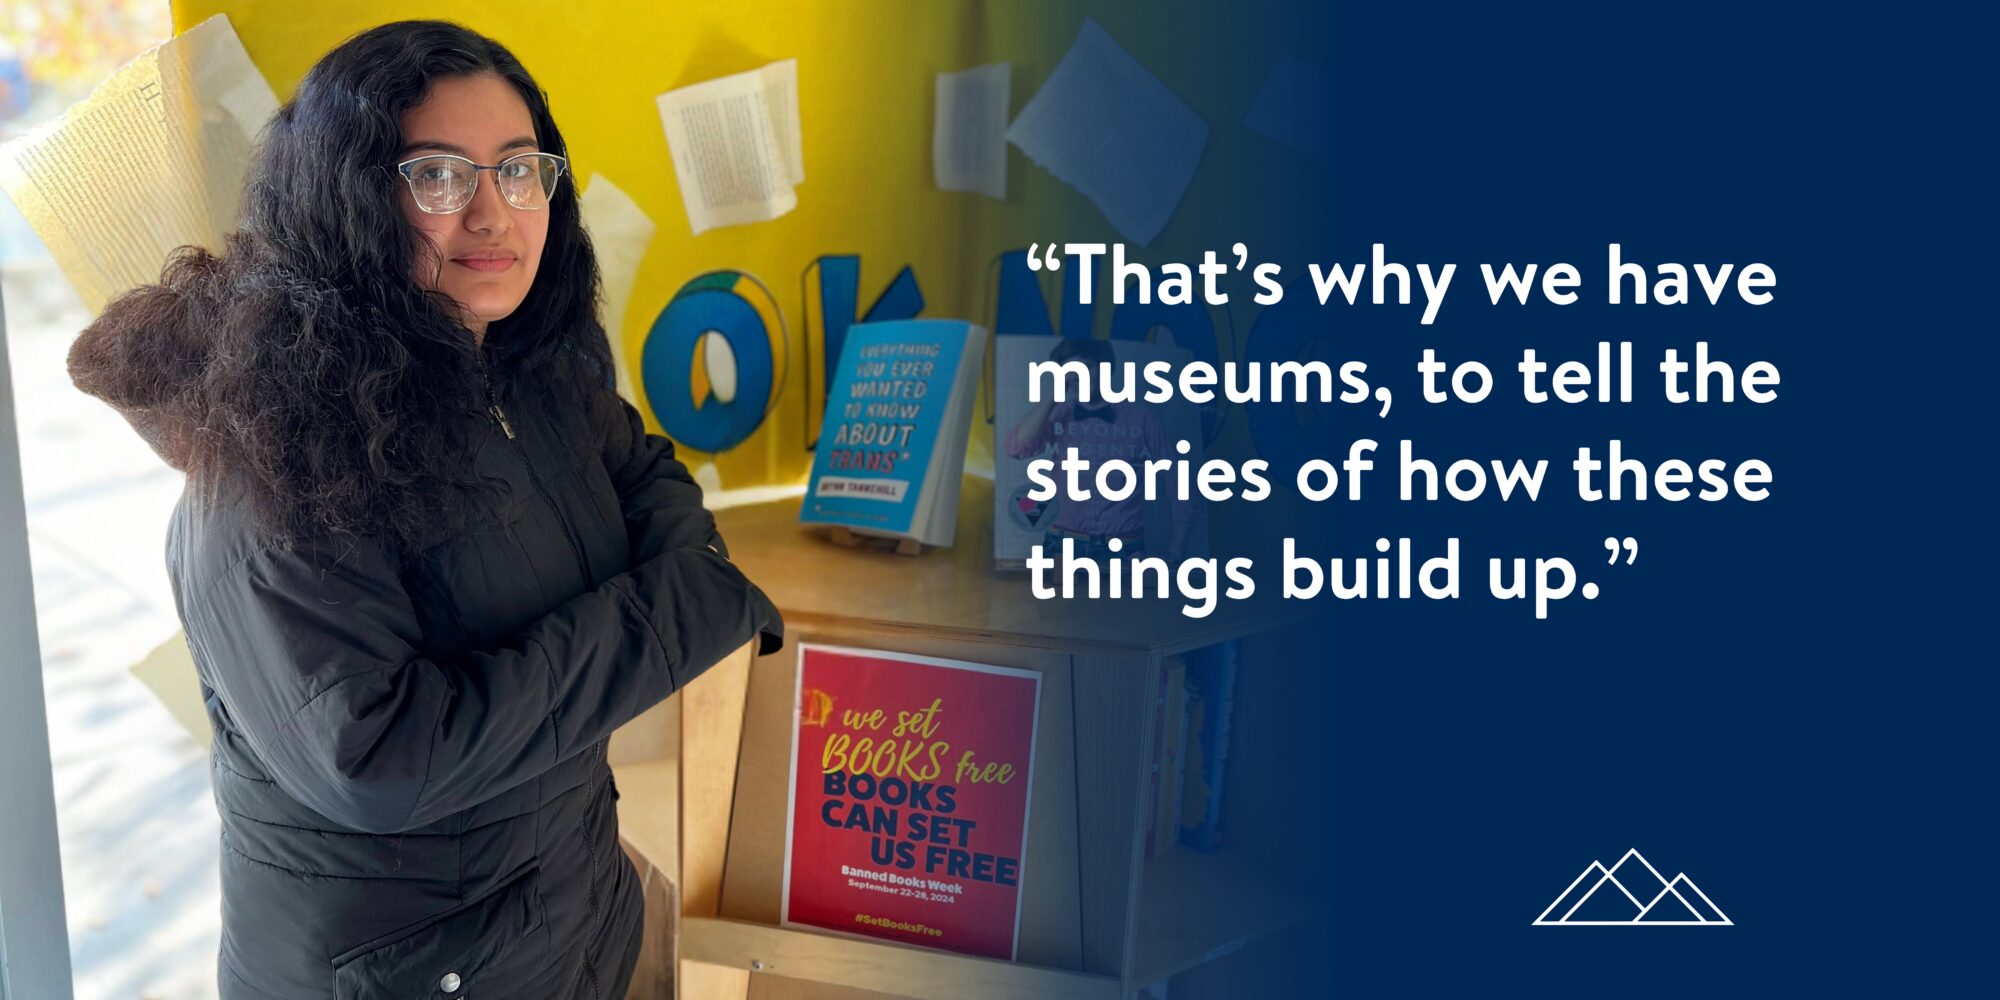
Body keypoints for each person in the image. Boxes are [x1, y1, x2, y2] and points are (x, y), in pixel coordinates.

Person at [65, 21, 782, 999]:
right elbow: (384, 760)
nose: (495, 213)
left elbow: (646, 473)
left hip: (573, 924)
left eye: (520, 170)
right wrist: (682, 612)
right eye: (438, 176)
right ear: (348, 196)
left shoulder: (528, 360)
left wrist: (689, 582)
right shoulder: (266, 460)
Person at [1005, 336, 1195, 560]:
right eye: (1067, 372)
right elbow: (1016, 448)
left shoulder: (1142, 420)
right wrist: (1053, 397)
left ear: (1105, 368)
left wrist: (1176, 552)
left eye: (1084, 368)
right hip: (1061, 544)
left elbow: (1182, 483)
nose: (1075, 377)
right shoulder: (1058, 413)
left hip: (1125, 547)